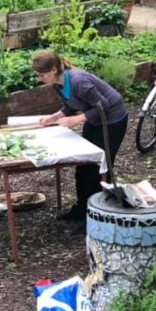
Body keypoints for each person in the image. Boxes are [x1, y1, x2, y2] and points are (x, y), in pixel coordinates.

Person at [32, 51, 128, 221]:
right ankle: (81, 209)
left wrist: (77, 119)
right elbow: (70, 106)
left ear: (54, 70)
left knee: (97, 169)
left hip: (112, 121)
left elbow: (102, 105)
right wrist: (53, 118)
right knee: (82, 166)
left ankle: (96, 215)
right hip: (94, 120)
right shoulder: (58, 84)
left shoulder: (78, 81)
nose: (40, 78)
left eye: (42, 74)